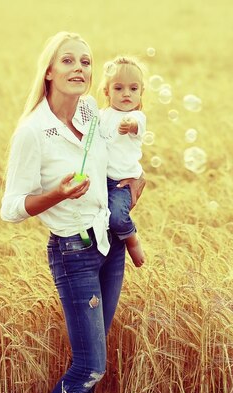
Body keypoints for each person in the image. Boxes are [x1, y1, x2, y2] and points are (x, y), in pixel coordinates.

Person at [0, 31, 145, 393]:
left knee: (94, 371)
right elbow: (11, 207)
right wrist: (59, 194)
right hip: (74, 253)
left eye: (85, 61)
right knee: (90, 366)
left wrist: (135, 183)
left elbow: (120, 158)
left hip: (109, 246)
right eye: (68, 61)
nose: (79, 68)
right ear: (48, 71)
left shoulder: (89, 113)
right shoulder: (32, 131)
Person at [98, 56, 147, 268]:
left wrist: (130, 125)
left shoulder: (137, 116)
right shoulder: (101, 115)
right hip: (100, 180)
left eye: (133, 89)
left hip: (122, 183)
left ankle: (131, 239)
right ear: (107, 91)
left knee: (117, 217)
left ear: (141, 92)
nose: (126, 93)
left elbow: (136, 126)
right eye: (118, 88)